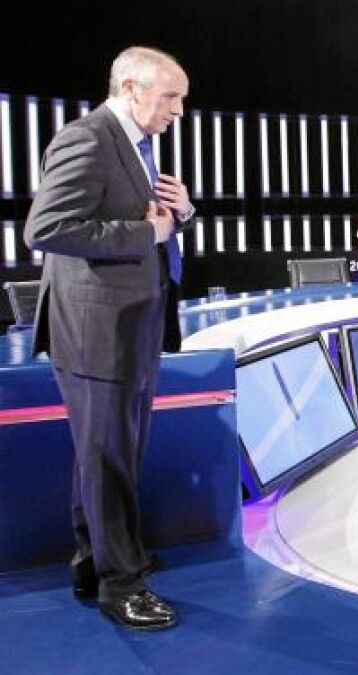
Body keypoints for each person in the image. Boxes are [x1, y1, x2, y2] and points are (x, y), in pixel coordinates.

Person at [23, 46, 193, 631]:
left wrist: (182, 214)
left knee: (108, 454)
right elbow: (47, 228)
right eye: (170, 97)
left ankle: (95, 561)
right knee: (108, 458)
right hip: (96, 330)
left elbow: (151, 222)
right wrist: (146, 234)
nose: (178, 111)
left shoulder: (136, 143)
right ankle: (122, 586)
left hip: (133, 324)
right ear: (129, 88)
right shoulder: (88, 138)